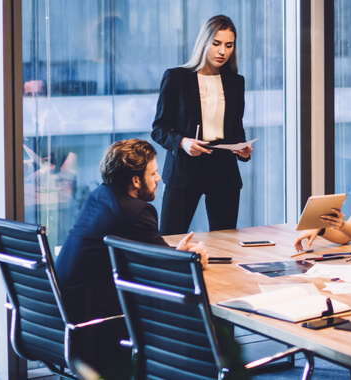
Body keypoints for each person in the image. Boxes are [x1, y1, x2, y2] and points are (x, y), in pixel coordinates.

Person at [55, 139, 207, 379]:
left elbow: (149, 257)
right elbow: (171, 275)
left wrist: (174, 256)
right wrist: (192, 260)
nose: (159, 178)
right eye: (154, 173)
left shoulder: (99, 197)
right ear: (136, 180)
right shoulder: (137, 211)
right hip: (96, 326)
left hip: (63, 317)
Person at [151, 15, 252, 235]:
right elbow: (159, 129)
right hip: (185, 168)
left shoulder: (236, 82)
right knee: (170, 237)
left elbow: (236, 128)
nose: (222, 51)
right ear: (204, 43)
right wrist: (182, 143)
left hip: (223, 169)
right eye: (216, 44)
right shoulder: (176, 78)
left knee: (225, 242)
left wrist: (242, 149)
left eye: (229, 45)